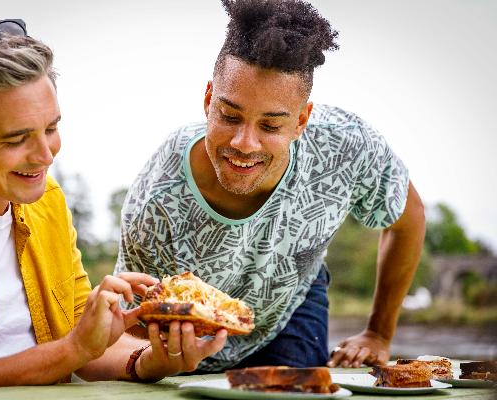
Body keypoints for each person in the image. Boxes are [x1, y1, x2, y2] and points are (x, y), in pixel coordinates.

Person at [0, 16, 226, 392]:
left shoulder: (47, 200)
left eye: (51, 128)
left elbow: (82, 343)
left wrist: (148, 359)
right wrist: (71, 351)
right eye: (17, 139)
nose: (45, 155)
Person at [114, 0, 425, 372]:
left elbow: (407, 219)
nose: (245, 143)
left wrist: (378, 333)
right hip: (188, 338)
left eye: (270, 126)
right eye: (230, 116)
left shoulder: (347, 145)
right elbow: (130, 332)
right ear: (209, 99)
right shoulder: (157, 200)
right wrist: (153, 365)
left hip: (291, 299)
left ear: (301, 120)